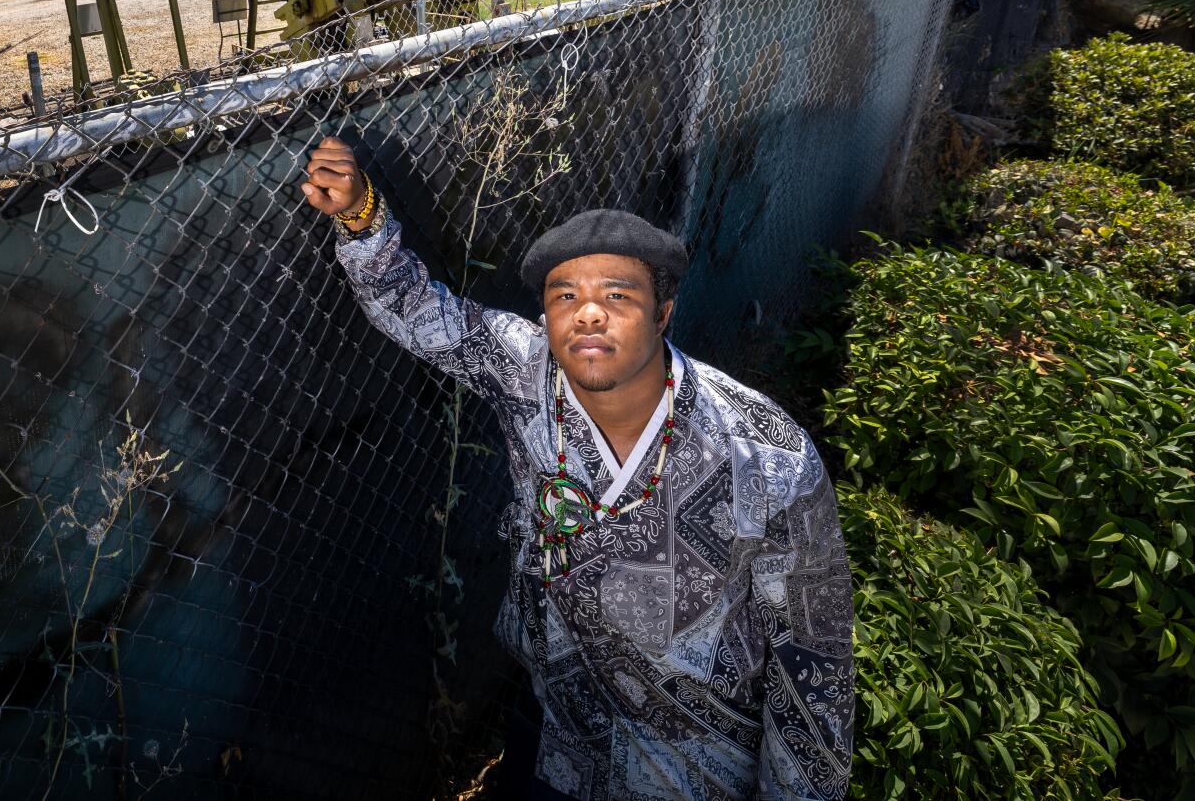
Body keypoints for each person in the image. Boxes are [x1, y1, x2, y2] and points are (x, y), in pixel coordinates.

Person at [301, 136, 853, 801]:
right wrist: (361, 218)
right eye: (566, 296)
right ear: (546, 319)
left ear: (663, 312)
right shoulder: (526, 368)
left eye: (616, 295)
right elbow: (421, 311)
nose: (588, 311)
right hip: (557, 735)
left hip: (688, 767)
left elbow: (812, 663)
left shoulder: (768, 456)